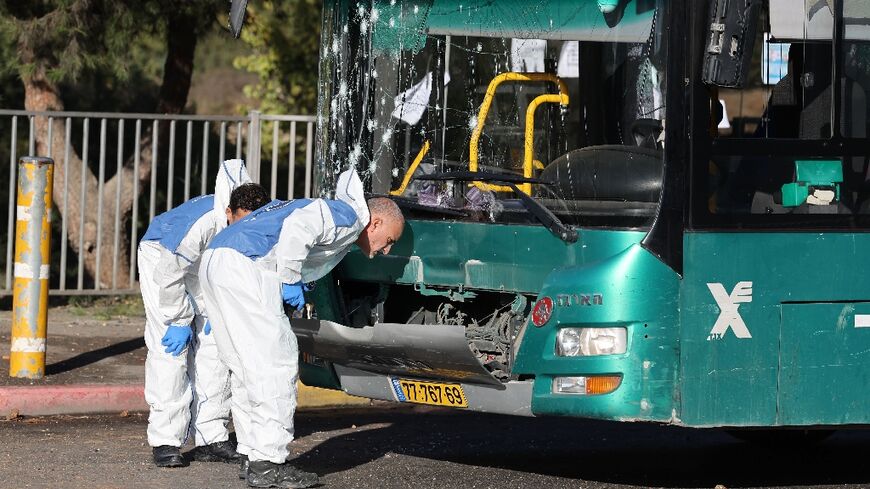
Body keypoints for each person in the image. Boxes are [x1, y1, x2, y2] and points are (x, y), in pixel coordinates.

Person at [199, 168, 404, 488]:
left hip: (216, 259)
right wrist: (291, 277)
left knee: (244, 368)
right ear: (374, 223)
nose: (386, 249)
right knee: (274, 366)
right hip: (247, 265)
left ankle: (253, 456)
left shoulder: (328, 209)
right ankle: (268, 463)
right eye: (389, 240)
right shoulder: (347, 215)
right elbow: (299, 228)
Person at [138, 159, 270, 468]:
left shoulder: (255, 218)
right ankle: (166, 440)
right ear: (227, 212)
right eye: (240, 222)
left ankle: (211, 435)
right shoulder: (203, 224)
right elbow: (170, 274)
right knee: (170, 350)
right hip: (162, 257)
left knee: (216, 347)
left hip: (203, 264)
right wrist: (179, 320)